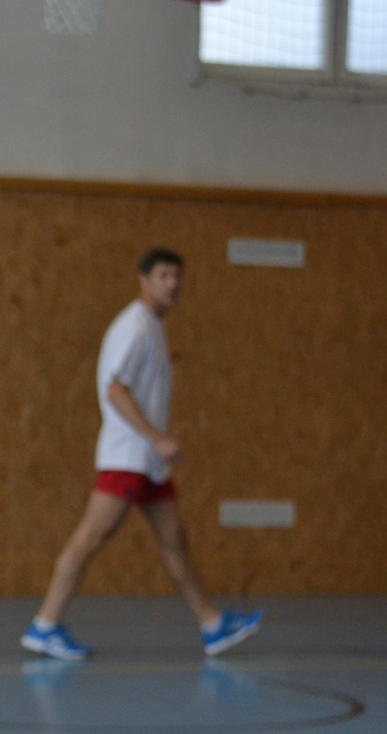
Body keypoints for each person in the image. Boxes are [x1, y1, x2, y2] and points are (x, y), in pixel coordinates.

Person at [20, 248, 262, 661]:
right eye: (163, 275)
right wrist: (157, 439)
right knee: (90, 538)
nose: (172, 284)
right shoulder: (134, 327)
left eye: (177, 276)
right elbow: (115, 389)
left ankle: (212, 624)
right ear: (144, 279)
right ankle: (45, 625)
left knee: (174, 540)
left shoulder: (152, 327)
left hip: (149, 463)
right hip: (128, 457)